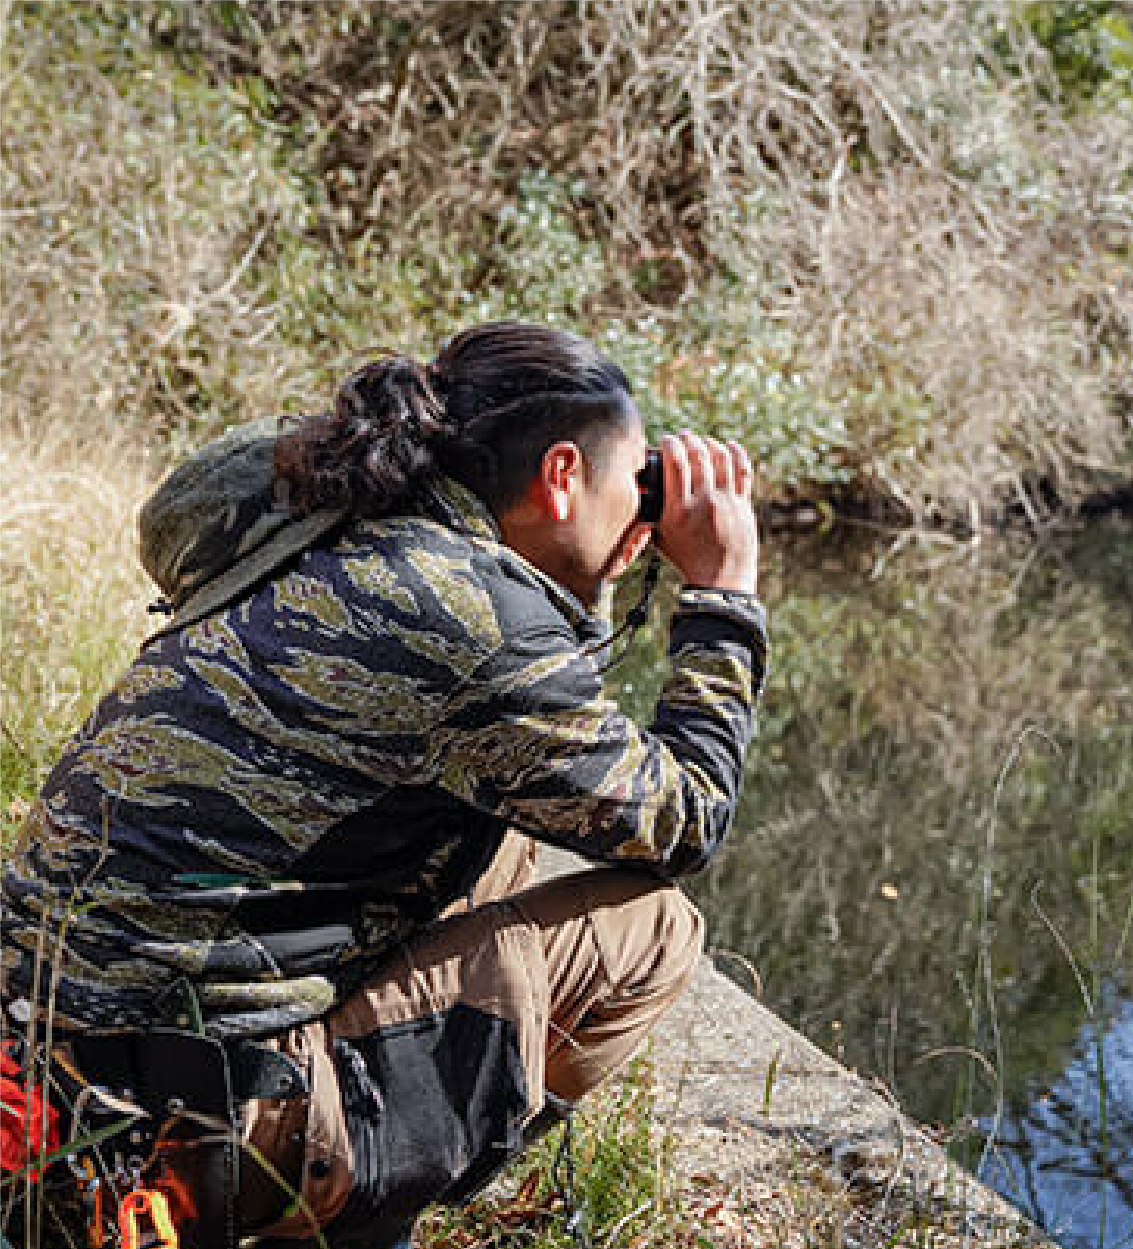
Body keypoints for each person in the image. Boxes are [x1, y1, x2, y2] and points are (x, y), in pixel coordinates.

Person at [0, 322, 766, 1249]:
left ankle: (324, 1160)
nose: (640, 508)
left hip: (39, 1059)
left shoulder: (323, 517)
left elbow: (559, 759)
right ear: (562, 475)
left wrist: (587, 568)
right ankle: (356, 1204)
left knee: (511, 836)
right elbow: (686, 819)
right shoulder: (482, 625)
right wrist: (724, 597)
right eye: (633, 478)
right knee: (652, 929)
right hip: (165, 1133)